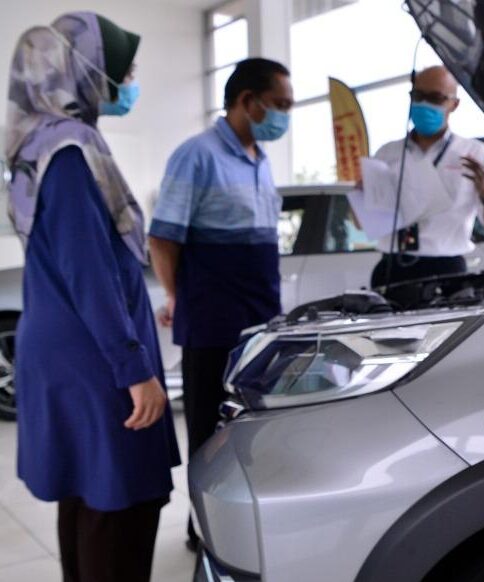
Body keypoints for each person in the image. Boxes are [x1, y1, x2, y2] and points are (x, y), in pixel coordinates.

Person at [6, 12, 180, 581]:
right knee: (120, 502)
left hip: (65, 341)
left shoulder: (33, 146)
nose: (129, 83)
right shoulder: (70, 152)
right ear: (85, 70)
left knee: (87, 494)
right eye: (123, 71)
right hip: (94, 355)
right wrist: (134, 369)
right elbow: (90, 272)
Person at [148, 57, 293, 549]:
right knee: (210, 432)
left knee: (253, 430)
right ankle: (204, 530)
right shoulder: (197, 155)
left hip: (260, 322)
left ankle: (244, 524)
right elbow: (163, 238)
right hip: (212, 321)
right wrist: (176, 296)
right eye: (279, 104)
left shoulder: (260, 159)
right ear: (247, 101)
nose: (285, 115)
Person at [369, 65, 484, 288]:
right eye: (418, 96)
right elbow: (362, 222)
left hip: (446, 270)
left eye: (435, 98)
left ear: (454, 104)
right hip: (392, 268)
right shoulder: (387, 153)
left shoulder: (475, 154)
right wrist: (361, 191)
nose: (424, 104)